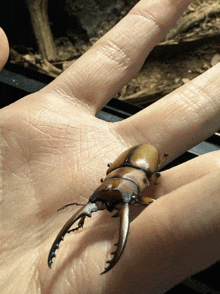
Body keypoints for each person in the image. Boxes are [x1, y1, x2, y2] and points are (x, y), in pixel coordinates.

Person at [1, 0, 220, 293]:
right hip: (126, 168)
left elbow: (146, 184)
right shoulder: (115, 182)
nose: (106, 204)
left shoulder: (140, 179)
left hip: (136, 166)